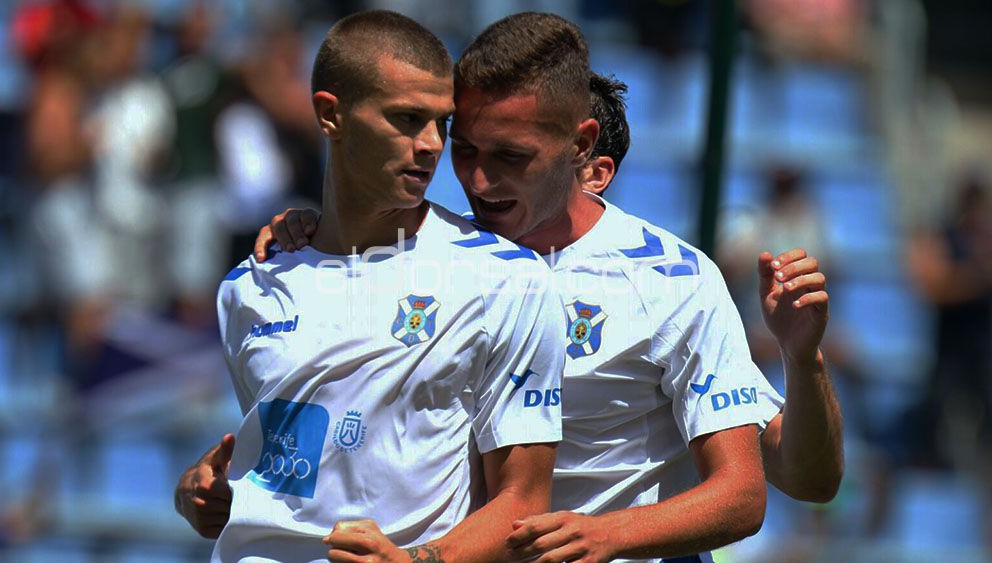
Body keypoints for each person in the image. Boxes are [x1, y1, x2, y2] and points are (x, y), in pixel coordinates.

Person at [182, 12, 843, 561]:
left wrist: (802, 357)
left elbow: (767, 488)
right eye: (466, 150)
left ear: (581, 145)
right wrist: (312, 242)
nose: (478, 180)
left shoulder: (668, 281)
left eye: (511, 157)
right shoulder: (443, 260)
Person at [197, 11, 567, 563]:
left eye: (441, 123)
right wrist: (208, 489)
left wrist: (419, 561)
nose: (431, 144)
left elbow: (523, 503)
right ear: (331, 115)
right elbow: (297, 458)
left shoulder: (509, 281)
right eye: (407, 119)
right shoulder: (249, 285)